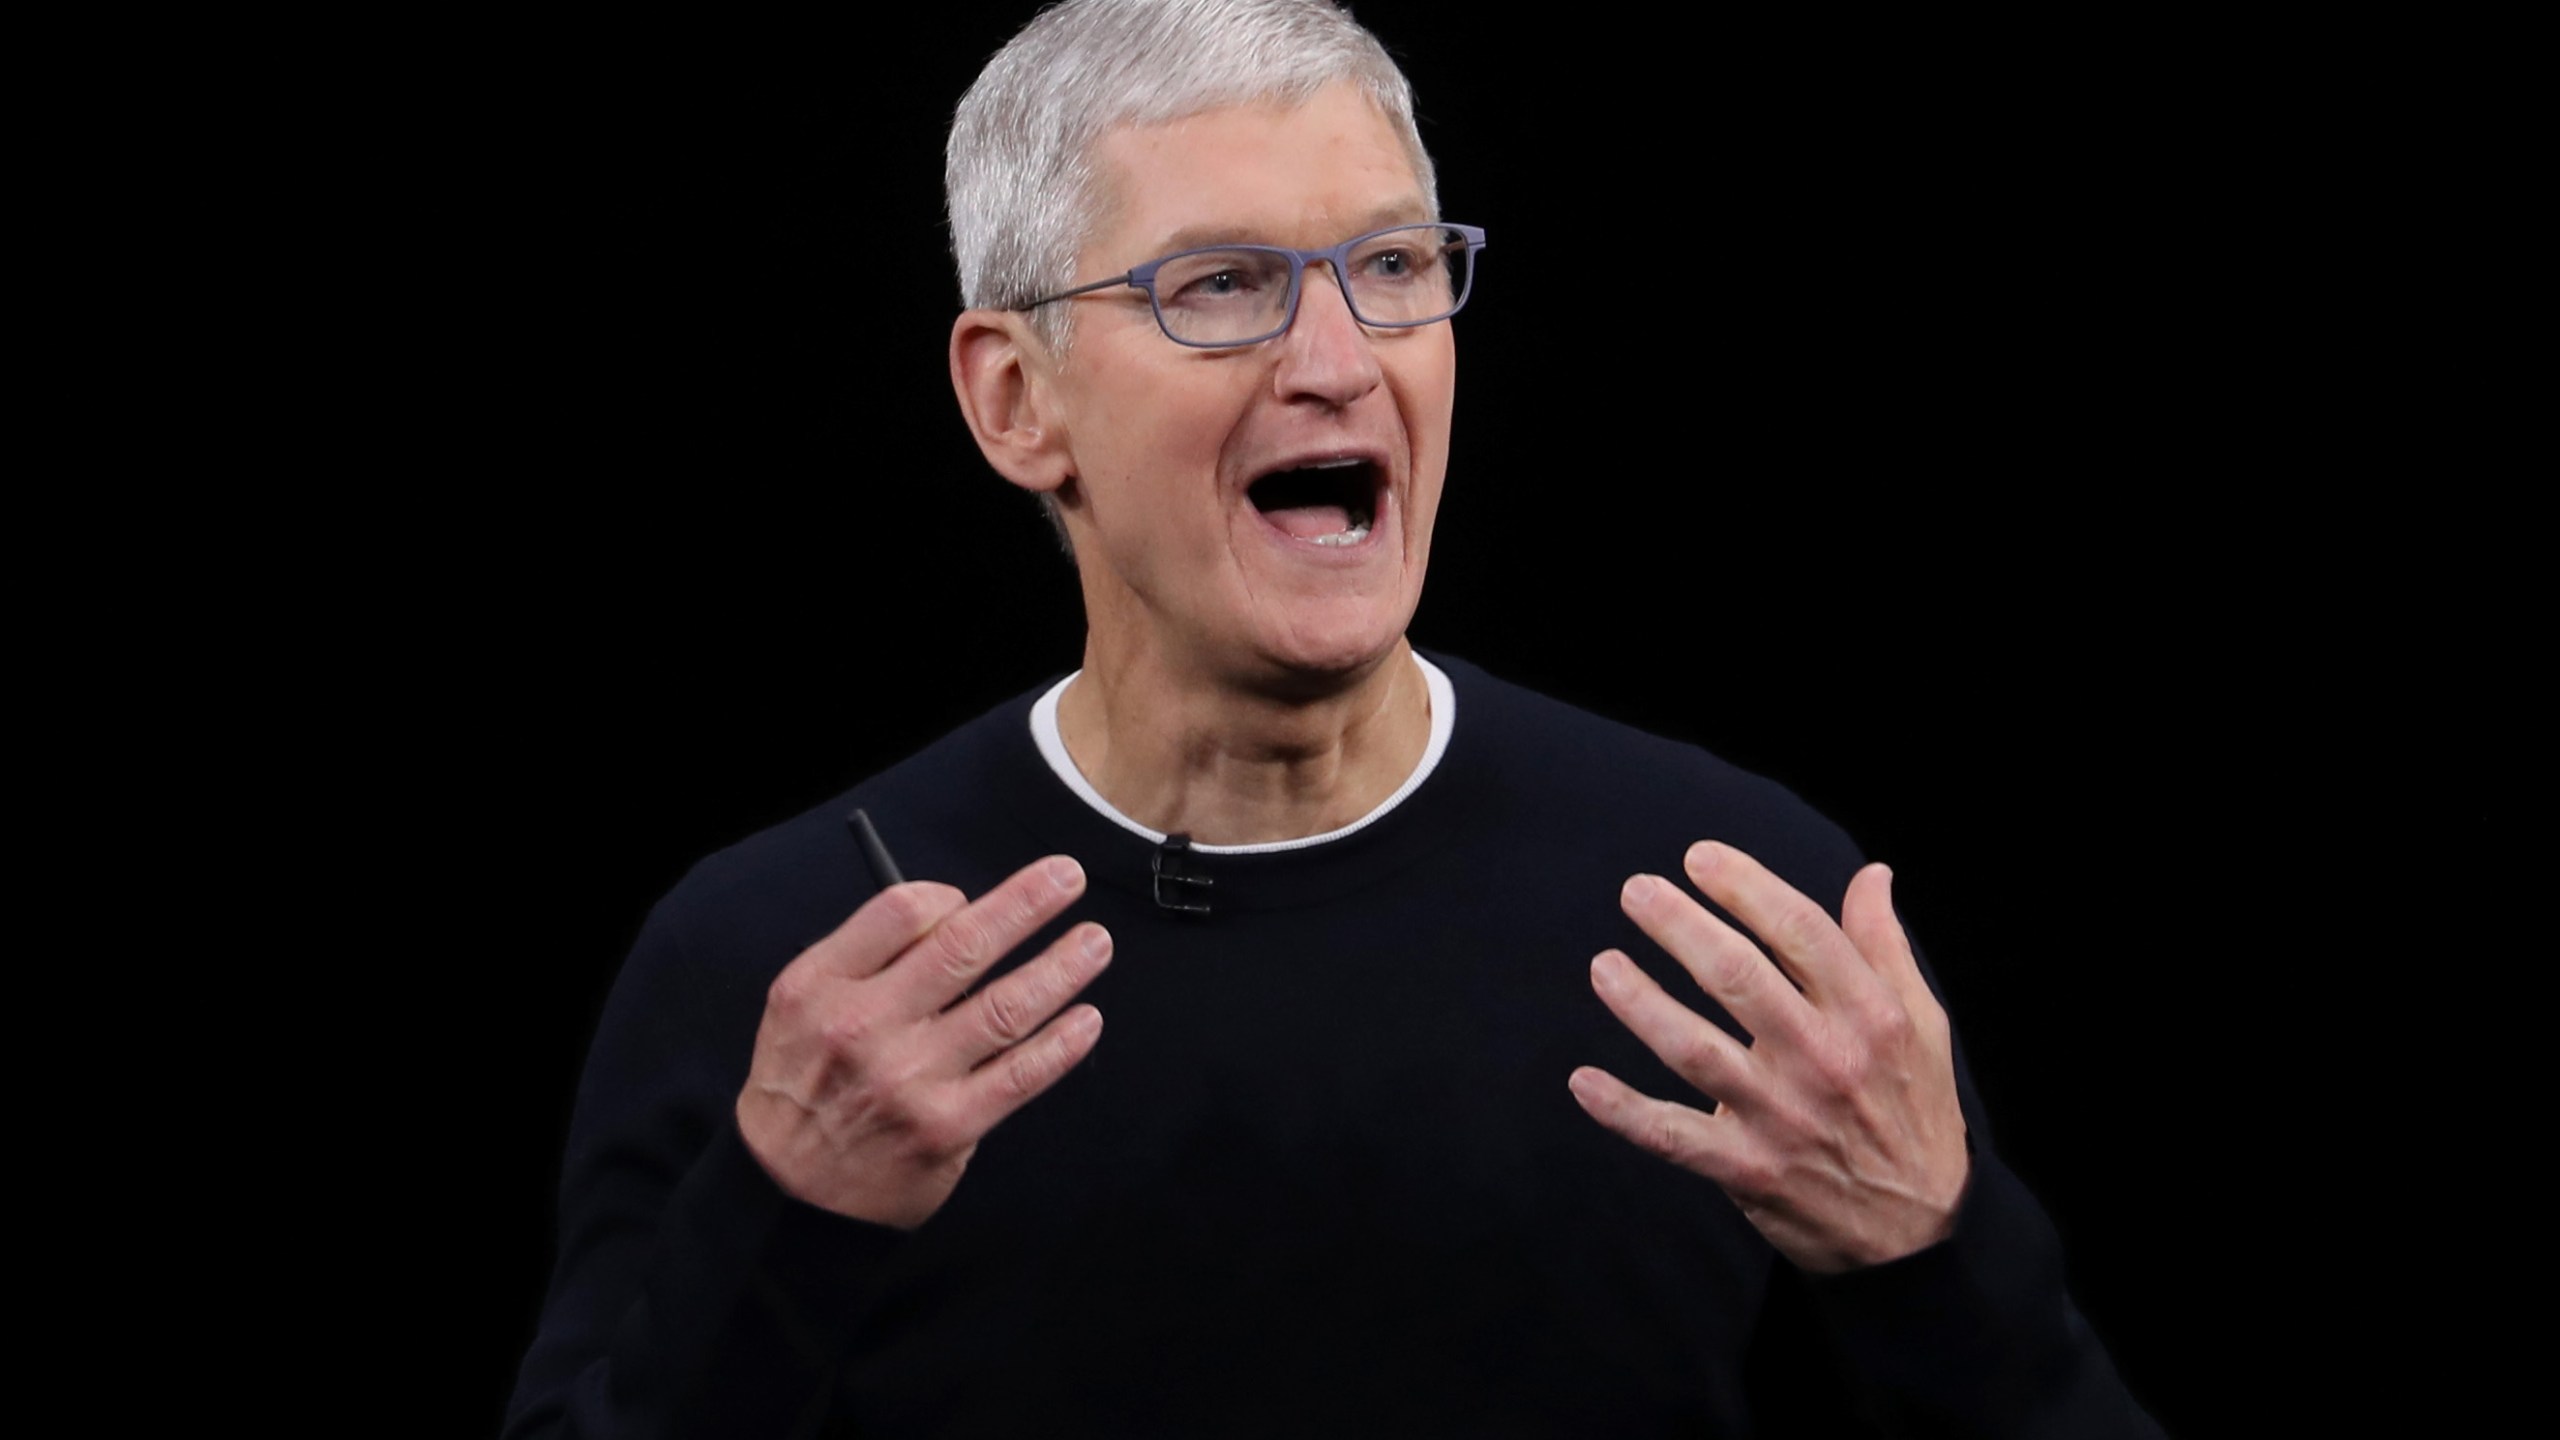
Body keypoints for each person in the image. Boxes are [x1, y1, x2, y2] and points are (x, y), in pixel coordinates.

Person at [506, 2, 2161, 1434]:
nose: (1336, 360)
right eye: (1222, 285)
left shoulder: (1735, 917)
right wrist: (784, 1220)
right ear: (1018, 399)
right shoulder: (788, 965)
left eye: (1388, 268)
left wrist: (1937, 1250)